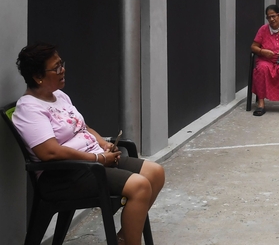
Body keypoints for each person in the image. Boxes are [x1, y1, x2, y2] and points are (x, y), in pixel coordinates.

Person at [13, 43, 165, 245]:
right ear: (37, 76)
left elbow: (81, 127)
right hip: (64, 175)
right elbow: (49, 153)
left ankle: (124, 237)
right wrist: (98, 158)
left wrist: (103, 144)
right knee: (140, 186)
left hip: (92, 164)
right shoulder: (29, 109)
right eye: (56, 67)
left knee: (155, 173)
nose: (63, 70)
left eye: (62, 64)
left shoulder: (59, 96)